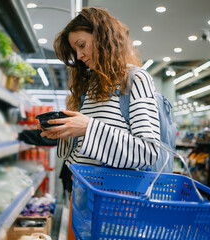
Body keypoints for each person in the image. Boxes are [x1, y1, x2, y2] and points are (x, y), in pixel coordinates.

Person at [39, 7, 161, 239]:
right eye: (75, 49)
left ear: (103, 37)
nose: (80, 55)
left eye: (82, 45)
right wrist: (64, 133)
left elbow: (148, 150)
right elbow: (83, 153)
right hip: (82, 197)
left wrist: (88, 127)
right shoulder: (87, 85)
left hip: (118, 203)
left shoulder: (135, 79)